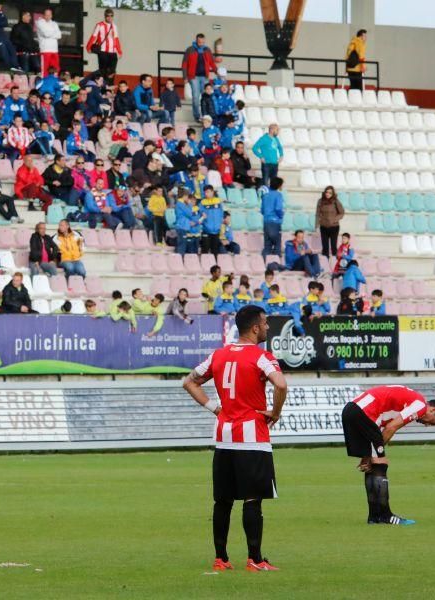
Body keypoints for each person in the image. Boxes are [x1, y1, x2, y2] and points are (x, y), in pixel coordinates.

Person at [182, 305, 287, 572]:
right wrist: (275, 412)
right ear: (255, 327)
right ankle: (255, 559)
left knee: (223, 500)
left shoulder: (219, 354)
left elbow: (189, 382)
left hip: (224, 438)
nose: (267, 327)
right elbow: (281, 384)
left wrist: (214, 408)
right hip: (252, 438)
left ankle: (221, 559)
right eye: (265, 323)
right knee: (253, 499)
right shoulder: (261, 356)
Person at [341, 385, 435, 525]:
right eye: (431, 422)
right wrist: (376, 452)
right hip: (364, 413)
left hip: (351, 410)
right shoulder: (420, 405)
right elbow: (391, 427)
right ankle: (386, 516)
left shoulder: (408, 401)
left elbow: (380, 429)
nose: (426, 424)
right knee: (381, 464)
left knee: (375, 464)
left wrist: (369, 454)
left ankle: (374, 517)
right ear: (433, 409)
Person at [182, 34, 217, 122]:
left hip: (204, 77)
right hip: (194, 77)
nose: (201, 43)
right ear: (196, 41)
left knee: (206, 96)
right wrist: (185, 76)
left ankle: (207, 116)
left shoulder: (207, 50)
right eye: (199, 42)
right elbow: (185, 64)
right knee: (196, 97)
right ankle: (197, 116)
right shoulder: (190, 49)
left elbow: (212, 63)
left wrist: (217, 72)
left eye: (202, 42)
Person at [85, 8, 122, 78]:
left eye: (111, 15)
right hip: (103, 51)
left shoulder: (114, 26)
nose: (110, 17)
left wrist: (119, 51)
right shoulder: (99, 25)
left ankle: (109, 87)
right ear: (105, 16)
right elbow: (93, 36)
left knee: (112, 72)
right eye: (108, 16)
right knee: (103, 71)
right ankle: (102, 87)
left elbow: (116, 39)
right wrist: (88, 47)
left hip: (113, 52)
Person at [0, 3, 21, 73]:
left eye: (0, 7)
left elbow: (5, 23)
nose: (0, 8)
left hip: (3, 36)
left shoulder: (0, 13)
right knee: (4, 52)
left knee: (12, 50)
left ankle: (15, 66)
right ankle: (10, 67)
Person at [315, 186, 345, 258]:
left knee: (333, 246)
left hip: (334, 227)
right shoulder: (320, 201)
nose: (328, 194)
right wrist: (316, 226)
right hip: (323, 227)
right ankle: (326, 264)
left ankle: (335, 264)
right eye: (327, 192)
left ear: (333, 194)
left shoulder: (335, 201)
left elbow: (342, 212)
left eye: (330, 193)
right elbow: (317, 214)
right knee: (325, 248)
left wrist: (334, 220)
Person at [252, 124, 283, 188]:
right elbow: (254, 148)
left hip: (275, 163)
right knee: (265, 182)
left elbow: (280, 147)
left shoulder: (276, 138)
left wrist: (281, 155)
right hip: (266, 164)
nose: (278, 131)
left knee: (274, 183)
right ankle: (264, 195)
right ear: (271, 130)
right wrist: (261, 156)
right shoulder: (264, 138)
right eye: (277, 130)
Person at [260, 177, 284, 257]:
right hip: (275, 222)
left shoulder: (265, 195)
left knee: (267, 246)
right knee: (277, 245)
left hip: (266, 222)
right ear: (279, 185)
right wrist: (281, 215)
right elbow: (278, 208)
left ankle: (265, 264)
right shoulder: (278, 195)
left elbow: (262, 210)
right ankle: (276, 266)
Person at [36, 9, 62, 77]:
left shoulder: (54, 23)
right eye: (46, 15)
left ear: (51, 15)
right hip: (45, 50)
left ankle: (54, 82)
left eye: (49, 15)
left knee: (56, 69)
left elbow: (59, 35)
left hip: (54, 50)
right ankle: (44, 85)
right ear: (44, 15)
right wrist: (54, 33)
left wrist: (50, 33)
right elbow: (46, 34)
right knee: (45, 69)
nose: (48, 16)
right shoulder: (40, 22)